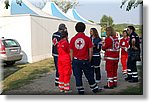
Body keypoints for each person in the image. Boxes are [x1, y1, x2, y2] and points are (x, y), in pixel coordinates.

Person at [70, 22, 99, 95]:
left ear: (76, 29)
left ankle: (80, 90)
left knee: (77, 76)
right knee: (89, 75)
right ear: (84, 29)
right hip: (85, 60)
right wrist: (89, 58)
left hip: (76, 60)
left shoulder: (73, 39)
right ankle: (94, 88)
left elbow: (71, 51)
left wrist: (72, 60)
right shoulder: (87, 39)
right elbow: (91, 50)